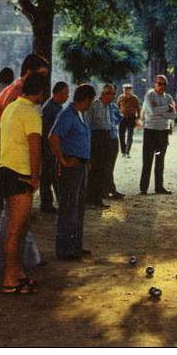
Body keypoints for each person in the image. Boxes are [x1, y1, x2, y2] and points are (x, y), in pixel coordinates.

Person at [0, 71, 46, 294]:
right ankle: (9, 280)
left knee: (21, 228)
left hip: (7, 171)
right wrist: (35, 178)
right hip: (20, 175)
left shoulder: (11, 107)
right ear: (41, 92)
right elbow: (35, 147)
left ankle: (18, 274)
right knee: (16, 231)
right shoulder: (31, 112)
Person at [0, 54, 51, 211]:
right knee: (16, 223)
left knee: (12, 221)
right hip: (17, 164)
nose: (44, 79)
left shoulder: (9, 89)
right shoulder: (20, 94)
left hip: (7, 159)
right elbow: (30, 140)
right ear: (30, 72)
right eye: (42, 74)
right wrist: (34, 176)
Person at [50, 84, 96, 261]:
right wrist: (61, 160)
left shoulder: (80, 115)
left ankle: (75, 246)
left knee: (78, 208)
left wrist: (87, 160)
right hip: (71, 166)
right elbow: (53, 137)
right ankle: (65, 250)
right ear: (85, 100)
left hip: (81, 166)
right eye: (90, 100)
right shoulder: (67, 114)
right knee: (68, 208)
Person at [140, 74, 175, 194]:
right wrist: (166, 109)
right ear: (154, 84)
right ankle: (143, 188)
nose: (162, 86)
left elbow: (173, 115)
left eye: (164, 84)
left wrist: (159, 111)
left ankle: (159, 186)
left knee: (160, 159)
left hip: (163, 132)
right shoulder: (150, 95)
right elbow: (151, 111)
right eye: (159, 83)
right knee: (147, 160)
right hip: (150, 131)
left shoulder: (168, 97)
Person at [38, 81, 70, 214]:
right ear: (57, 93)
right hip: (49, 149)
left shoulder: (57, 107)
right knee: (49, 177)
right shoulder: (50, 108)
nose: (67, 96)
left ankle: (51, 203)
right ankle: (47, 204)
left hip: (52, 149)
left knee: (51, 177)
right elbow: (48, 132)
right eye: (65, 93)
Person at [85, 84, 117, 209]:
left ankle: (98, 198)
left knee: (104, 169)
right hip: (96, 137)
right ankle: (90, 199)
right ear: (103, 94)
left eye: (114, 94)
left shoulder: (110, 107)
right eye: (110, 93)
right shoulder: (94, 106)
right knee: (94, 170)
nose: (113, 96)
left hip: (107, 137)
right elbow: (88, 123)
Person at [117, 84, 140, 157]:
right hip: (122, 118)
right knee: (121, 135)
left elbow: (138, 109)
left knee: (130, 135)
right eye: (125, 89)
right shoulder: (120, 97)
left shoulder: (134, 98)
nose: (127, 91)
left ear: (131, 90)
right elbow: (117, 107)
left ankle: (127, 152)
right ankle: (123, 151)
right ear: (123, 90)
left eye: (129, 89)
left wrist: (137, 118)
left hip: (131, 118)